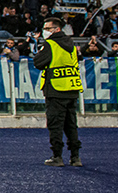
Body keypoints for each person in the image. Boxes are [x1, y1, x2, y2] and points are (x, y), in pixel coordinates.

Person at [33, 16, 83, 167]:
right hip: (71, 88)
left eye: (47, 28)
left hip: (56, 89)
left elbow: (38, 62)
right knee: (71, 124)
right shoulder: (72, 44)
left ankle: (57, 156)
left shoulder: (50, 44)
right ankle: (75, 157)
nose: (45, 31)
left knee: (55, 124)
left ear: (56, 29)